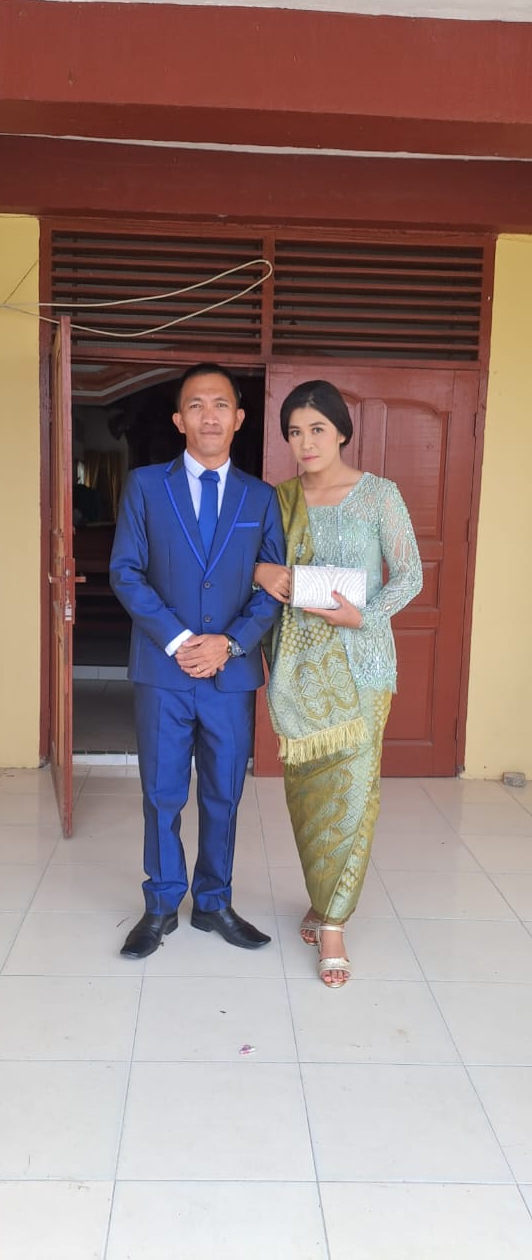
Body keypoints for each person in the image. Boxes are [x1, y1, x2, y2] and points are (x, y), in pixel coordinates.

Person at [110, 363, 285, 959]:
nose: (209, 416)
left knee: (223, 794)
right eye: (196, 405)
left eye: (221, 405)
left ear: (239, 419)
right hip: (164, 671)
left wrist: (229, 644)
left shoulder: (260, 497)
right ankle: (161, 904)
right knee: (162, 793)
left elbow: (271, 588)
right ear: (179, 419)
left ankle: (213, 903)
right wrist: (181, 639)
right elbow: (126, 572)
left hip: (229, 675)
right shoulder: (145, 486)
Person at [255, 380, 422, 988]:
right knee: (308, 795)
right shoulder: (279, 500)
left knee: (353, 793)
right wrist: (261, 569)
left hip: (362, 663)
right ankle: (322, 892)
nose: (306, 443)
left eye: (317, 430)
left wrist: (364, 616)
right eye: (295, 432)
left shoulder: (379, 495)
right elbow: (251, 563)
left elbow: (410, 575)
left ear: (342, 432)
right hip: (299, 672)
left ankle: (333, 923)